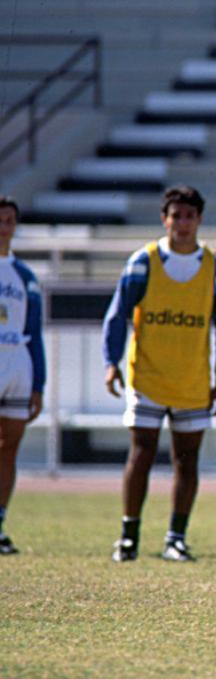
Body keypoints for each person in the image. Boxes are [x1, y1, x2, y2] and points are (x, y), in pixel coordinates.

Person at [102, 185, 216, 563]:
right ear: (164, 219)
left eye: (189, 216)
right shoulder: (143, 262)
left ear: (199, 220)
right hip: (147, 376)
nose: (182, 223)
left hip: (193, 379)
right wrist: (111, 362)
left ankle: (175, 538)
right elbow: (117, 316)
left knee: (187, 460)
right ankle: (129, 536)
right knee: (141, 452)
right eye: (175, 216)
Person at [0, 197, 46, 556]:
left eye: (10, 221)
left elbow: (35, 332)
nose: (4, 227)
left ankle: (0, 524)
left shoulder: (26, 276)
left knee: (8, 451)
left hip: (17, 364)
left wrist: (38, 384)